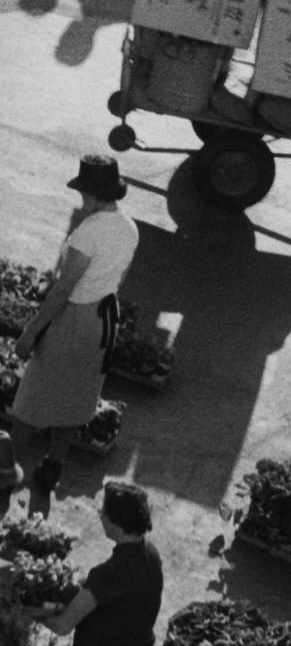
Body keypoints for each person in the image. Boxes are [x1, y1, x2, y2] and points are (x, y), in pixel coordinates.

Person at [11, 156, 139, 499]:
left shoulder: (88, 232)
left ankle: (5, 464)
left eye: (84, 191)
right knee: (77, 396)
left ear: (94, 194)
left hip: (74, 318)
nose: (81, 198)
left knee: (32, 398)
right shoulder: (129, 228)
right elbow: (119, 278)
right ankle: (53, 466)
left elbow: (62, 291)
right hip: (104, 318)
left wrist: (30, 332)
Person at [40, 480, 163, 645]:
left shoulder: (108, 574)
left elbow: (63, 626)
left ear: (117, 522)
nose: (100, 515)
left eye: (104, 511)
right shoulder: (151, 552)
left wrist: (34, 613)